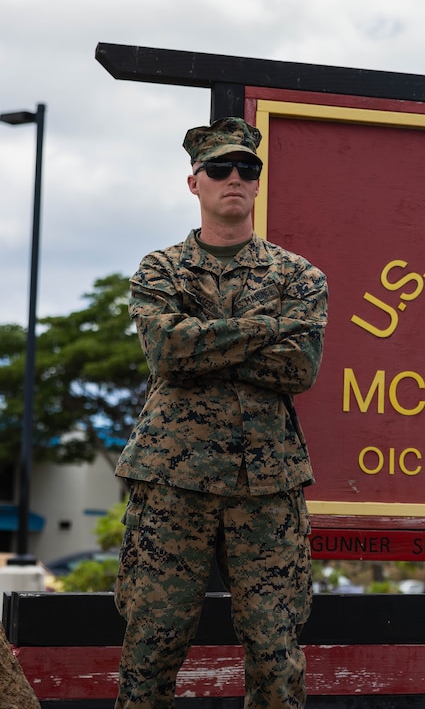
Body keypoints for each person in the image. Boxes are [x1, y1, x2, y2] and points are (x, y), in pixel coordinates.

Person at [113, 116, 328, 708]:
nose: (234, 177)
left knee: (275, 654)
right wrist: (268, 327)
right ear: (195, 182)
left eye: (246, 168)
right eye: (219, 168)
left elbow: (298, 368)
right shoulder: (161, 269)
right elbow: (166, 350)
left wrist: (203, 345)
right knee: (151, 649)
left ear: (257, 183)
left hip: (267, 485)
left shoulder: (299, 275)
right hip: (171, 480)